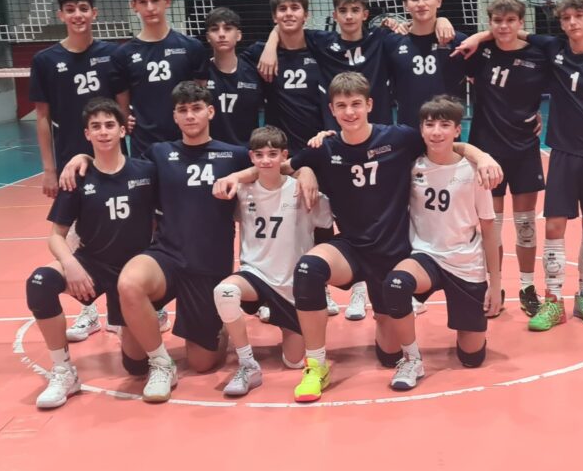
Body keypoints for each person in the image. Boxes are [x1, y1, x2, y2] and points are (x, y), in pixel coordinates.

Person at [214, 71, 501, 402]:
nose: (349, 112)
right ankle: (316, 366)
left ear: (369, 105)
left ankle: (400, 345)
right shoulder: (325, 148)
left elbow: (444, 143)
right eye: (341, 106)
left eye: (355, 104)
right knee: (308, 268)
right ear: (332, 110)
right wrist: (252, 174)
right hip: (351, 248)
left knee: (394, 355)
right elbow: (279, 166)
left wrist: (481, 156)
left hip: (392, 252)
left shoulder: (399, 138)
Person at [258, 0, 454, 320]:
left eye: (355, 10)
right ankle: (341, 286)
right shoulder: (322, 42)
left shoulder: (383, 38)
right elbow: (290, 26)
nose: (349, 17)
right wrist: (270, 43)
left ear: (365, 14)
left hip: (382, 142)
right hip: (340, 142)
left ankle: (393, 282)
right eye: (343, 11)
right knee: (334, 213)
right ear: (334, 15)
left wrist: (442, 19)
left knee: (393, 211)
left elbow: (418, 30)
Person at [61, 82, 251, 402]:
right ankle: (162, 363)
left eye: (196, 109)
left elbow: (275, 166)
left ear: (210, 112)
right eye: (182, 110)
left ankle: (217, 325)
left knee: (202, 363)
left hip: (208, 266)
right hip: (166, 256)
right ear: (174, 116)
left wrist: (240, 176)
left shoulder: (233, 154)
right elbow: (117, 165)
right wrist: (81, 156)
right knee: (134, 354)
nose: (190, 116)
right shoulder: (160, 154)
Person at [455, 0, 583, 331]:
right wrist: (480, 35)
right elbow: (509, 32)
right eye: (566, 18)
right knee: (549, 226)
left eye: (578, 16)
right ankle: (552, 299)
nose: (572, 22)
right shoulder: (554, 49)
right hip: (559, 152)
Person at [25, 98, 157, 408]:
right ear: (87, 134)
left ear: (123, 130)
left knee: (136, 367)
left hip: (132, 274)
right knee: (39, 283)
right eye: (95, 127)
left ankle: (131, 325)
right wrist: (69, 262)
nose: (103, 131)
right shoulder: (78, 178)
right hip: (92, 264)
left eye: (110, 125)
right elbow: (56, 236)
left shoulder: (147, 171)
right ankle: (64, 371)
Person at [382, 95, 501, 391]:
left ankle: (469, 327)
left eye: (445, 125)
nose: (436, 132)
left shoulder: (474, 171)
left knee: (472, 358)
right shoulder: (411, 167)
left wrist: (495, 283)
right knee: (396, 283)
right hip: (426, 257)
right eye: (430, 125)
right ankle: (411, 359)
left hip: (465, 263)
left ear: (458, 130)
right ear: (421, 130)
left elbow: (489, 229)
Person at [29, 0, 124, 341]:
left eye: (83, 8)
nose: (78, 15)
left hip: (110, 159)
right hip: (71, 162)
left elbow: (122, 104)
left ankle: (121, 307)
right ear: (61, 15)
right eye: (70, 10)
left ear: (94, 13)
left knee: (119, 228)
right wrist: (49, 169)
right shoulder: (45, 60)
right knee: (73, 238)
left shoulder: (111, 55)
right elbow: (41, 117)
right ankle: (88, 311)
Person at [214, 125, 333, 396]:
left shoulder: (302, 189)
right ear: (251, 158)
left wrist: (308, 171)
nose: (266, 160)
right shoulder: (242, 191)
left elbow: (328, 222)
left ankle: (282, 320)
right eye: (259, 155)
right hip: (255, 273)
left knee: (294, 362)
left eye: (272, 154)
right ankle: (247, 364)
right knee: (225, 292)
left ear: (284, 155)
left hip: (291, 284)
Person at [248, 0, 341, 315]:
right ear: (274, 16)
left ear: (306, 13)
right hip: (279, 153)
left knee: (321, 219)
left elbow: (356, 36)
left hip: (318, 148)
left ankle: (322, 288)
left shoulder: (320, 45)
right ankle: (272, 290)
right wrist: (271, 45)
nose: (289, 14)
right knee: (281, 224)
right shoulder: (259, 53)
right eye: (282, 9)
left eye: (295, 8)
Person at [461, 0, 548, 317]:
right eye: (497, 21)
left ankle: (527, 287)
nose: (504, 26)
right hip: (487, 151)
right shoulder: (480, 53)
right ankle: (493, 286)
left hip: (524, 149)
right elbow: (453, 45)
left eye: (511, 20)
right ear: (490, 23)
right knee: (491, 226)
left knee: (525, 225)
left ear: (521, 22)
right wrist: (481, 36)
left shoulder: (538, 55)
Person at [111, 0, 208, 159]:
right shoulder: (123, 54)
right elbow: (123, 106)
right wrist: (125, 119)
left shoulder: (191, 47)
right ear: (133, 6)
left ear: (167, 1)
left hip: (187, 142)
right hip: (144, 145)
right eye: (142, 1)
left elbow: (201, 97)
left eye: (155, 0)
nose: (150, 8)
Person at [384, 0, 468, 128]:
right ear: (405, 5)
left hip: (445, 132)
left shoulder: (458, 41)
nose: (421, 3)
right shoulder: (392, 42)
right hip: (407, 131)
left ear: (439, 1)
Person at [204, 7, 264, 147]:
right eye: (215, 29)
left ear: (238, 35)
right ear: (208, 37)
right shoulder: (201, 73)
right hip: (211, 153)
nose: (221, 34)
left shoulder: (254, 72)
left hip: (247, 153)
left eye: (228, 28)